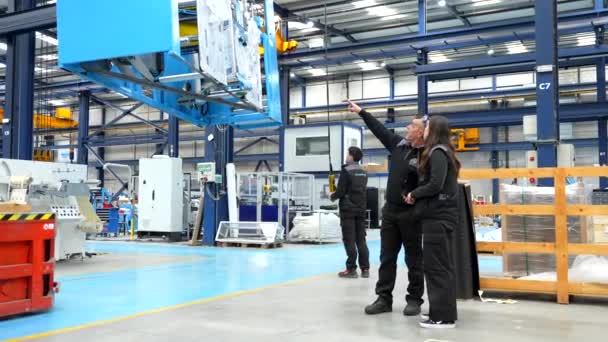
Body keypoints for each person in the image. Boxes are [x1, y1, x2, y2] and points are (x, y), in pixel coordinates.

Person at [346, 100, 425, 316]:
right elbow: (379, 130)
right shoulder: (398, 145)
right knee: (387, 257)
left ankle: (415, 299)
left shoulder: (427, 155)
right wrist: (362, 112)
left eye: (412, 125)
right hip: (390, 212)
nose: (408, 127)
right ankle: (383, 298)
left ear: (421, 132)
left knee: (413, 258)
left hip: (412, 213)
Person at [404, 115, 460, 329]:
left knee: (437, 268)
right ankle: (441, 311)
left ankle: (443, 318)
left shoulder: (437, 153)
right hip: (440, 216)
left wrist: (414, 193)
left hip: (437, 217)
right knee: (440, 266)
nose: (423, 130)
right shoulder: (445, 152)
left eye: (426, 127)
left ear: (434, 130)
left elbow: (435, 184)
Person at [330, 146, 370, 278]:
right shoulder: (364, 172)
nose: (346, 156)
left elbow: (341, 191)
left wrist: (332, 196)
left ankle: (351, 269)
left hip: (348, 210)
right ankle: (365, 269)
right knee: (361, 240)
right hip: (361, 209)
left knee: (349, 240)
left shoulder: (346, 171)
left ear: (352, 156)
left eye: (347, 154)